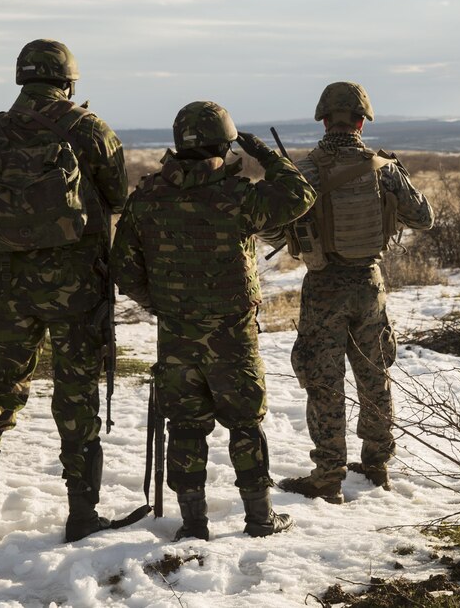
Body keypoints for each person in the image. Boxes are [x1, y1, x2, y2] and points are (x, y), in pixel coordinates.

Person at [0, 39, 128, 550]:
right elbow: (116, 196)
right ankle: (82, 514)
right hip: (77, 286)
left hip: (8, 288)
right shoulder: (89, 129)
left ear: (23, 79)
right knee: (76, 394)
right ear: (69, 80)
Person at [110, 101, 315, 540]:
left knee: (185, 426)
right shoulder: (238, 196)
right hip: (232, 334)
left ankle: (193, 523)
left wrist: (162, 304)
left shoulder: (147, 197)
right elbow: (300, 196)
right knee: (244, 423)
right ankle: (260, 519)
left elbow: (124, 269)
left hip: (176, 334)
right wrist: (266, 154)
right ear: (225, 141)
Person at [273, 81, 433, 504]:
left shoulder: (305, 170)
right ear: (362, 121)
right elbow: (424, 218)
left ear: (324, 119)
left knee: (324, 382)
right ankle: (377, 468)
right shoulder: (383, 167)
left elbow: (268, 225)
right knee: (374, 377)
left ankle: (329, 477)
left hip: (324, 287)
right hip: (369, 285)